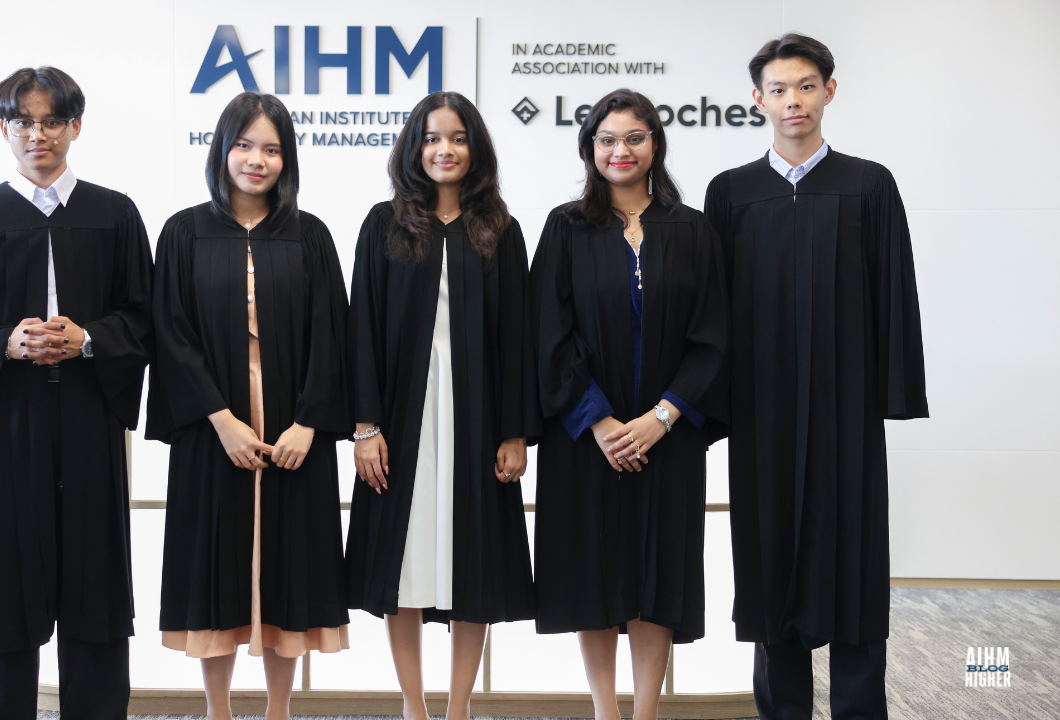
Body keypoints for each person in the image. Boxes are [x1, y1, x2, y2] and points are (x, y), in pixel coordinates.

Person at [0, 66, 153, 720]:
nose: (37, 134)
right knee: (5, 584)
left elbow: (145, 313)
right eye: (23, 121)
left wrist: (90, 338)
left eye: (52, 121)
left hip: (89, 412)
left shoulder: (114, 214)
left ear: (76, 127)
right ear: (4, 128)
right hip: (10, 417)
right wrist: (4, 343)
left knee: (95, 582)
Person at [704, 34, 928, 720]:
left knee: (853, 557)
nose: (792, 100)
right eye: (778, 89)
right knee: (769, 558)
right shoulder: (732, 192)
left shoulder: (869, 184)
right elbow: (712, 309)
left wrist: (889, 393)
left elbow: (894, 291)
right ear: (758, 100)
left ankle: (859, 708)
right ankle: (782, 709)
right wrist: (713, 406)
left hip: (845, 408)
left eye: (805, 86)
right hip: (762, 412)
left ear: (829, 90)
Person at [147, 91, 352, 720]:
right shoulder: (183, 232)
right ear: (222, 149)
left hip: (294, 421)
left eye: (271, 149)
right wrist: (222, 421)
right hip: (215, 423)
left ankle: (279, 710)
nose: (256, 160)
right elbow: (170, 333)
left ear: (287, 159)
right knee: (216, 565)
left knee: (289, 564)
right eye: (243, 145)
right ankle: (218, 709)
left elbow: (333, 333)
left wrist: (310, 423)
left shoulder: (309, 235)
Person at [531, 89, 729, 720]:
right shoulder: (566, 227)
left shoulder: (692, 228)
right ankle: (605, 711)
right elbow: (548, 331)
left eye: (635, 138)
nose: (621, 150)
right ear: (590, 148)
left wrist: (662, 417)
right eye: (608, 139)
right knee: (593, 574)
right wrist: (600, 421)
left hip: (668, 436)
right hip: (587, 436)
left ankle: (645, 712)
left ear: (655, 146)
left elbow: (713, 335)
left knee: (657, 575)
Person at [345, 91, 539, 720]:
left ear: (475, 149)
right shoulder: (383, 223)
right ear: (414, 146)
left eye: (457, 138)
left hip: (477, 421)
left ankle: (458, 709)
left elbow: (519, 338)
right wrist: (365, 426)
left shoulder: (501, 231)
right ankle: (414, 706)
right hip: (400, 421)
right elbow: (361, 328)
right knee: (401, 562)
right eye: (431, 138)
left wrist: (515, 432)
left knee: (472, 564)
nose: (444, 150)